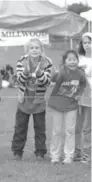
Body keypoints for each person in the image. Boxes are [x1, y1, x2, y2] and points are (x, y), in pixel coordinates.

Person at [11, 38, 52, 161]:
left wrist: (39, 73)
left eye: (37, 48)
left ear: (41, 49)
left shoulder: (47, 62)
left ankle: (40, 153)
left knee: (40, 129)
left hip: (38, 102)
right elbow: (19, 80)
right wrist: (26, 71)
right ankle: (17, 152)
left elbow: (47, 82)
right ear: (27, 50)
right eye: (32, 48)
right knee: (20, 128)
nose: (34, 50)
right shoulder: (22, 61)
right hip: (24, 101)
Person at [48, 50, 87, 164]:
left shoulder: (80, 73)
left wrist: (79, 93)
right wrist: (56, 73)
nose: (72, 62)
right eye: (69, 60)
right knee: (57, 131)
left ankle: (68, 155)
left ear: (77, 61)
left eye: (74, 60)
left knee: (70, 131)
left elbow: (83, 83)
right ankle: (55, 155)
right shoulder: (61, 71)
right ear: (65, 61)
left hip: (71, 106)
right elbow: (53, 79)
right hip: (57, 105)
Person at [75, 32, 92, 163]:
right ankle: (76, 152)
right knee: (76, 126)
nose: (87, 45)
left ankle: (87, 154)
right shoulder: (79, 59)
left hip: (89, 96)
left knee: (87, 126)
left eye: (89, 42)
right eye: (84, 43)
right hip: (77, 95)